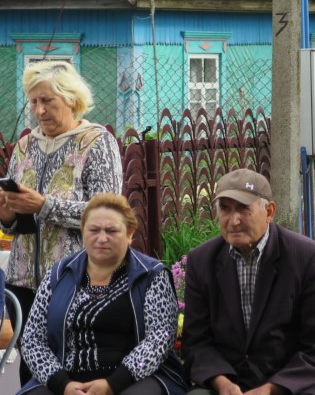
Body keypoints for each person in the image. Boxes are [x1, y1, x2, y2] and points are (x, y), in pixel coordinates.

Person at [1, 60, 123, 384]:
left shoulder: (97, 142)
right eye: (33, 102)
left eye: (47, 100)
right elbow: (16, 225)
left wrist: (45, 206)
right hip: (24, 282)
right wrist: (7, 214)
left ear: (71, 99)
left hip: (76, 281)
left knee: (75, 370)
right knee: (32, 374)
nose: (39, 110)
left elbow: (109, 214)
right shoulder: (25, 146)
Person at [183, 169, 315, 395]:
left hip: (296, 382)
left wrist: (270, 389)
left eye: (243, 209)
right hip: (231, 381)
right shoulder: (202, 261)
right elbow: (197, 342)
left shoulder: (308, 258)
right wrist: (222, 383)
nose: (233, 220)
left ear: (269, 212)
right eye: (225, 209)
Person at [18, 193, 187, 395]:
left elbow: (160, 338)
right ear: (83, 231)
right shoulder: (58, 275)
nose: (102, 238)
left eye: (111, 230)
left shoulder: (151, 276)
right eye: (94, 230)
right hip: (66, 380)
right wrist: (62, 385)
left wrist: (112, 384)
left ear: (130, 234)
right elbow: (32, 339)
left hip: (135, 379)